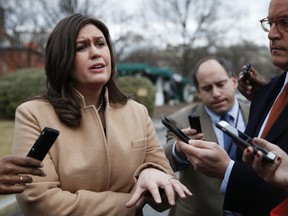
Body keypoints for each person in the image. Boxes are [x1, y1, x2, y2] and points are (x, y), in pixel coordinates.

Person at [11, 13, 191, 216]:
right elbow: (39, 201)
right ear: (62, 59)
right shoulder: (33, 114)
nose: (95, 53)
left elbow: (166, 194)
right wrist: (131, 202)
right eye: (82, 47)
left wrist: (150, 172)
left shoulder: (137, 112)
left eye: (100, 43)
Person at [176, 0, 288, 215]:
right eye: (270, 23)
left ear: (234, 81)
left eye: (285, 22)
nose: (271, 34)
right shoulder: (267, 92)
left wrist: (228, 170)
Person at [164, 57, 250, 216]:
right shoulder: (179, 121)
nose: (216, 93)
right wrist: (180, 148)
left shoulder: (257, 113)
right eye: (207, 88)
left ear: (234, 81)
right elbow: (164, 160)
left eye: (220, 84)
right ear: (198, 92)